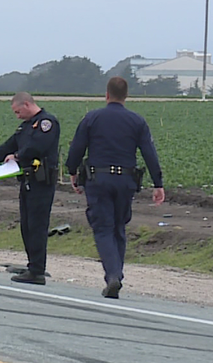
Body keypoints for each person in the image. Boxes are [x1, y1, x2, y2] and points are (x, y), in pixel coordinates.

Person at [64, 77, 165, 299]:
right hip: (125, 182)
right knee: (119, 227)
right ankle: (116, 273)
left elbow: (77, 149)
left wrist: (73, 172)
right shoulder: (137, 121)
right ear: (126, 96)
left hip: (98, 180)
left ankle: (113, 276)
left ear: (107, 95)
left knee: (103, 228)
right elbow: (149, 153)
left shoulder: (92, 118)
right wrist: (158, 183)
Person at [0, 92, 60, 285]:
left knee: (37, 225)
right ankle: (33, 264)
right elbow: (9, 145)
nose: (17, 116)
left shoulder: (47, 123)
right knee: (27, 225)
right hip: (27, 181)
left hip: (41, 181)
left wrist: (18, 156)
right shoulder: (26, 126)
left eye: (18, 111)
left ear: (27, 104)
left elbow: (38, 147)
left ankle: (37, 270)